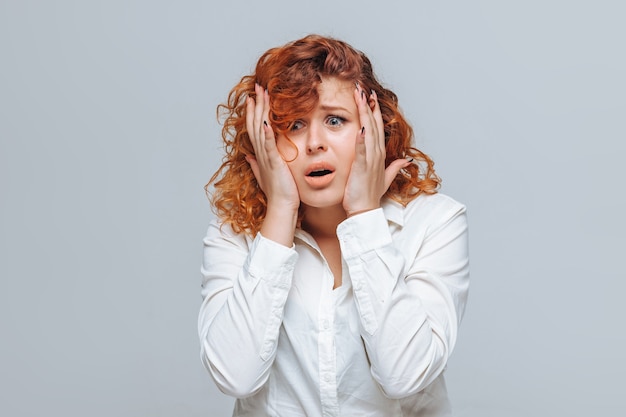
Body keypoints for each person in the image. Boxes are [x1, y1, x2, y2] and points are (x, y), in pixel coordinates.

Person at [198, 34, 469, 417]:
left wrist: (363, 214)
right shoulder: (235, 232)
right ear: (265, 139)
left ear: (373, 127)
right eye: (293, 124)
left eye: (335, 120)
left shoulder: (435, 223)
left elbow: (405, 377)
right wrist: (280, 211)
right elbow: (234, 377)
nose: (314, 143)